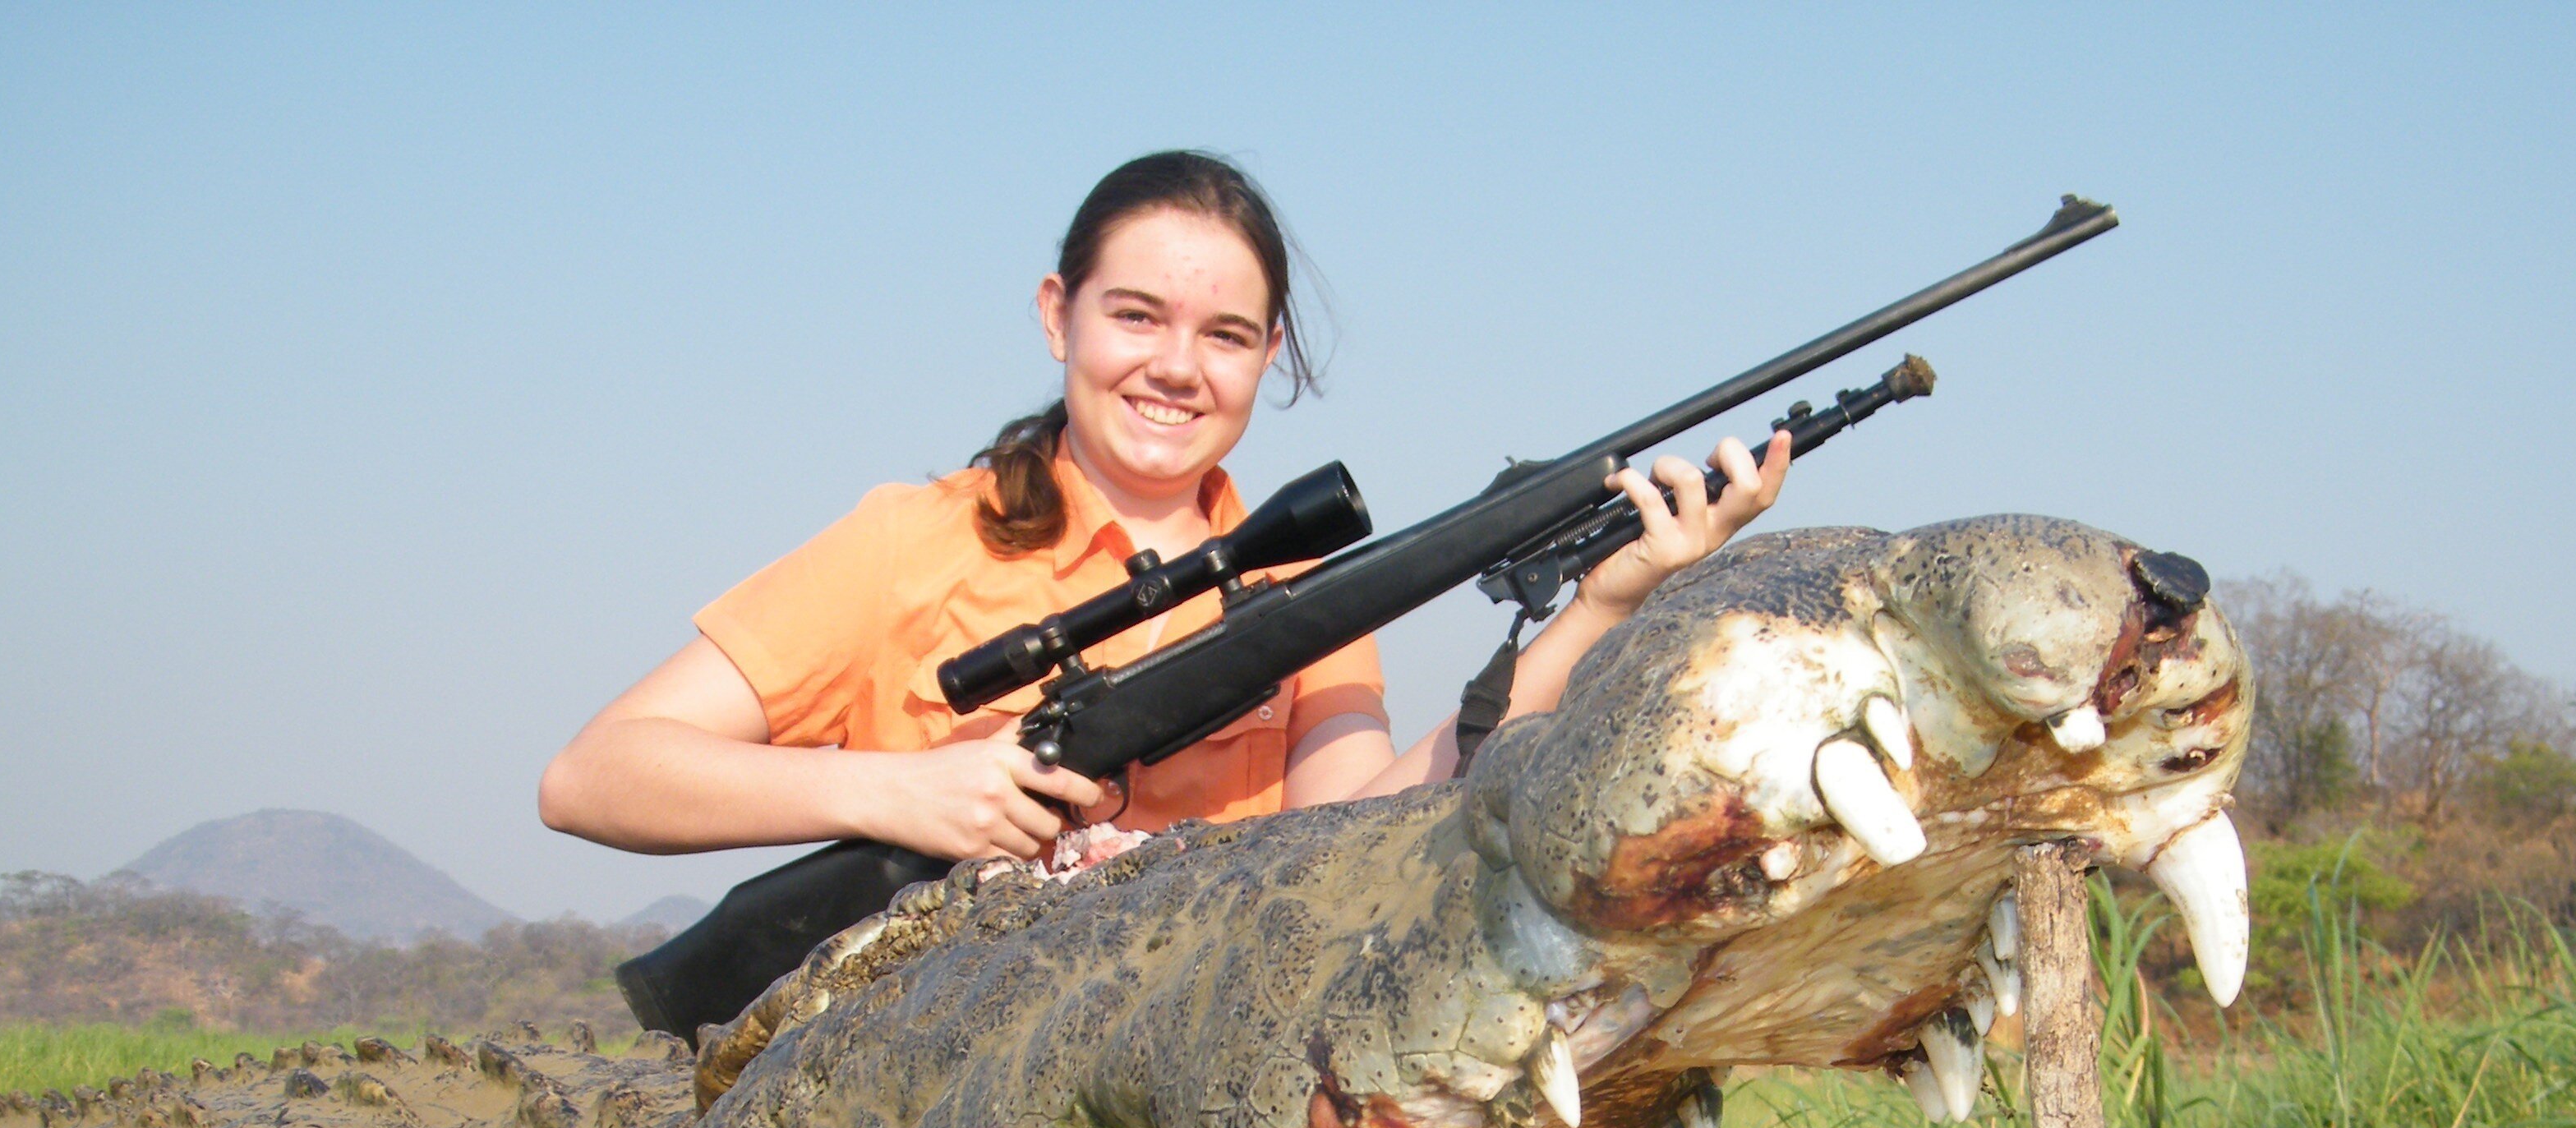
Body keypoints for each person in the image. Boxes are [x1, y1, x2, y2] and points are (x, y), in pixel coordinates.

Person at [540, 150, 1788, 868]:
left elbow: (1352, 840)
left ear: (1268, 355)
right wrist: (897, 794)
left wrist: (1596, 614)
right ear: (1056, 314)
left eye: (1226, 335)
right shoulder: (911, 541)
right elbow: (593, 777)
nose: (1177, 368)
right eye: (1135, 316)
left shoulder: (1305, 603)